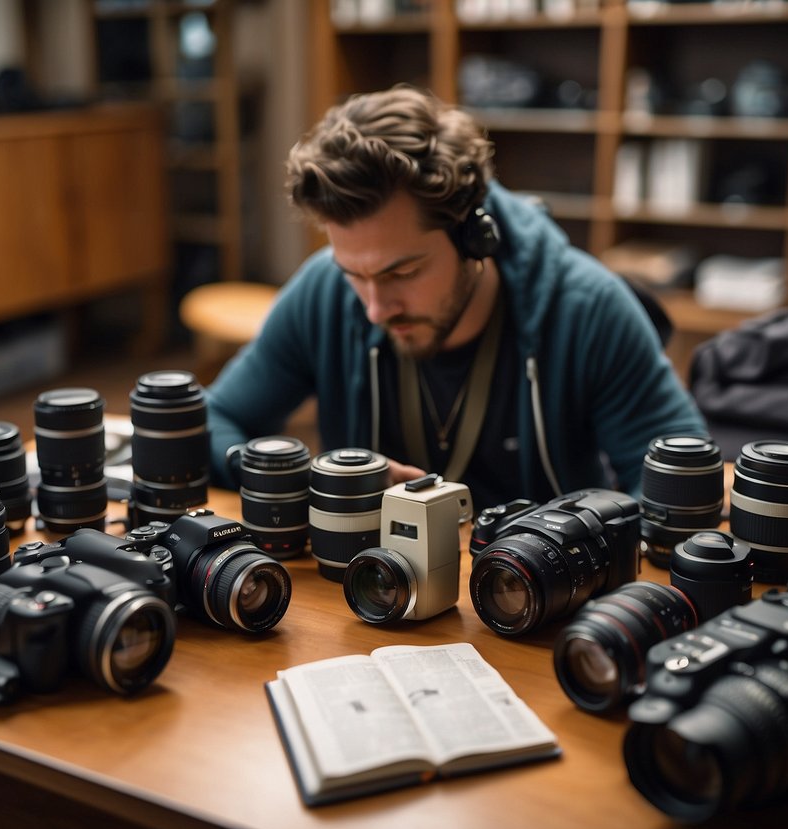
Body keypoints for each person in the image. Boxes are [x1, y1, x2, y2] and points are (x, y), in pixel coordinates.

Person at [205, 85, 706, 510]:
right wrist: (298, 479)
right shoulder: (324, 290)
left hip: (534, 610)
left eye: (403, 271)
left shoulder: (586, 308)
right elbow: (217, 417)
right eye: (355, 274)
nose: (376, 308)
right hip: (373, 598)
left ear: (475, 237)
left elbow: (686, 482)